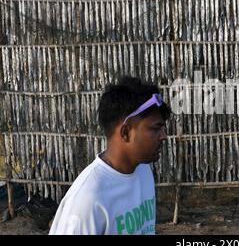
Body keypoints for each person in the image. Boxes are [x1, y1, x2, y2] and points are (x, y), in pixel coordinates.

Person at [49, 76, 171, 235]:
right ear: (126, 132)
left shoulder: (143, 171)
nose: (163, 136)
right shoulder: (88, 199)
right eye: (156, 128)